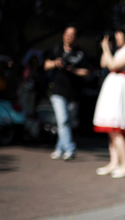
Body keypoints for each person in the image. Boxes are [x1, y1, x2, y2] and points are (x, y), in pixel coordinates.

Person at [92, 23, 125, 178]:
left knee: (117, 128)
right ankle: (114, 162)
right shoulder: (118, 50)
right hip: (112, 86)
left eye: (118, 34)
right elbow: (104, 63)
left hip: (120, 87)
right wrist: (107, 47)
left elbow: (112, 65)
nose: (116, 36)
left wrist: (106, 48)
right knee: (110, 128)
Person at [44, 25, 89, 161]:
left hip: (73, 93)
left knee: (65, 123)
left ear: (76, 38)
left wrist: (72, 70)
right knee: (62, 120)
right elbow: (46, 65)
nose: (68, 36)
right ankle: (70, 148)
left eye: (71, 34)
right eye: (66, 33)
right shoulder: (56, 49)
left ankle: (59, 148)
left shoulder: (81, 53)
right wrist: (55, 63)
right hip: (58, 91)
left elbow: (87, 72)